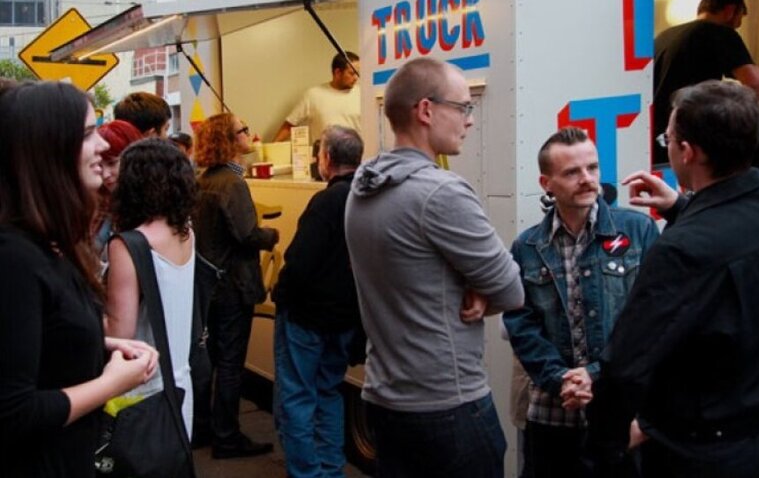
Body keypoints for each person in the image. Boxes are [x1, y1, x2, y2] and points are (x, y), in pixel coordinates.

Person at [582, 80, 759, 477]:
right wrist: (682, 206)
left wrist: (605, 447)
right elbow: (738, 240)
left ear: (688, 151)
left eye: (669, 138)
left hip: (708, 455)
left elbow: (626, 366)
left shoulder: (680, 250)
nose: (668, 145)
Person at [344, 57, 524, 478]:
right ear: (426, 111)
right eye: (463, 108)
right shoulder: (440, 192)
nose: (469, 121)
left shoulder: (362, 187)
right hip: (448, 407)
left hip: (385, 399)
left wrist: (474, 285)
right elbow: (512, 290)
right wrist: (479, 288)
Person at [0, 81, 158, 477]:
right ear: (48, 150)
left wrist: (102, 343)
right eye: (89, 134)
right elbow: (12, 412)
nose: (103, 146)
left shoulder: (49, 244)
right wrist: (111, 384)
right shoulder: (14, 257)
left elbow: (35, 338)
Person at [503, 127, 659, 477]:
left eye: (592, 168)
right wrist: (560, 379)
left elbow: (650, 321)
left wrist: (594, 376)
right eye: (572, 172)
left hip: (620, 412)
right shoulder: (527, 247)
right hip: (551, 414)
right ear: (547, 183)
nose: (587, 179)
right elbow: (521, 325)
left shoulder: (637, 231)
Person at [273, 125, 364, 478]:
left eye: (319, 153)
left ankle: (307, 473)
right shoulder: (368, 198)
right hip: (345, 320)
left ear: (326, 159)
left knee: (297, 397)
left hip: (307, 320)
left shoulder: (326, 201)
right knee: (329, 391)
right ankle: (331, 468)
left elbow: (299, 263)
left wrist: (281, 295)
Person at [193, 113, 280, 459]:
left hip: (210, 285)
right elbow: (246, 234)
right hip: (233, 285)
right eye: (243, 130)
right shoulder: (232, 183)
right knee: (231, 364)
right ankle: (227, 437)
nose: (250, 133)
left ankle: (202, 430)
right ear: (229, 140)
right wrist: (272, 236)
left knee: (211, 361)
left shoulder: (205, 180)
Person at [105, 138, 198, 437]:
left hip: (141, 390)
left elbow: (120, 332)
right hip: (181, 383)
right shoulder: (185, 230)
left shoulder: (129, 244)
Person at [653, 0, 759, 164]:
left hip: (659, 138)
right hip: (691, 139)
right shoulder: (718, 32)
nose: (739, 23)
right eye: (742, 15)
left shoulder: (666, 35)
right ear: (731, 11)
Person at [273, 51, 361, 143]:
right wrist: (271, 149)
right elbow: (289, 124)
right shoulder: (313, 95)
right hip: (323, 156)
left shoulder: (362, 95)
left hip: (358, 156)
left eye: (357, 73)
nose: (356, 78)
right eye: (352, 73)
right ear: (337, 72)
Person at [93, 119, 143, 263]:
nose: (105, 174)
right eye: (99, 165)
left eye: (112, 163)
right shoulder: (98, 203)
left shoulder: (153, 209)